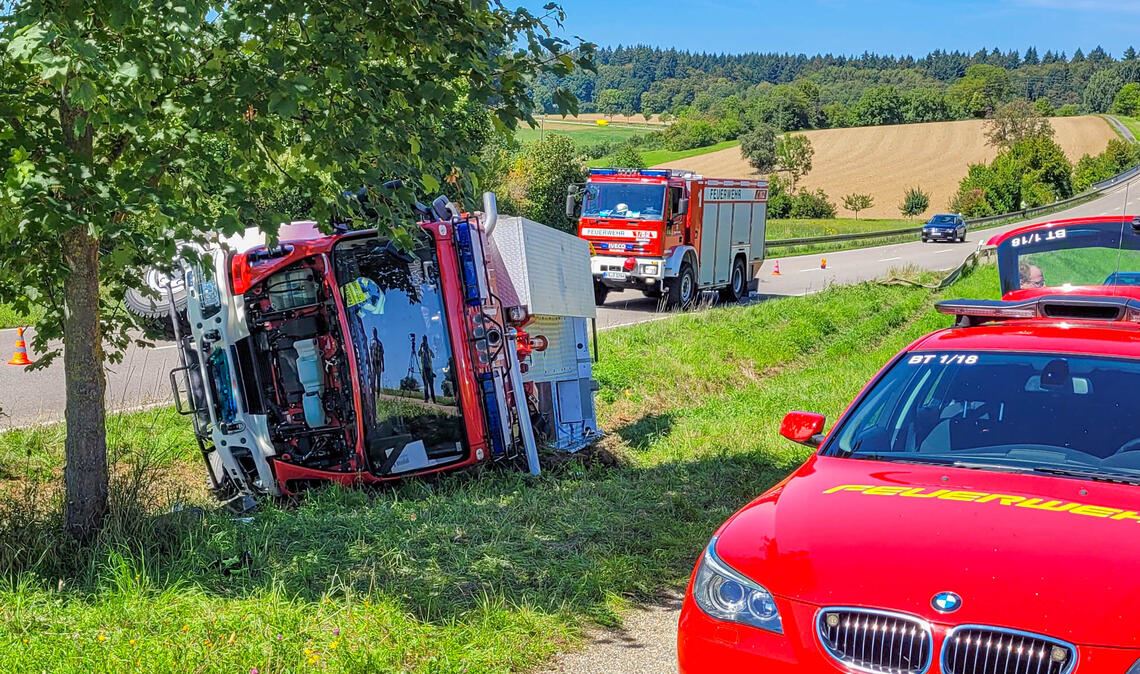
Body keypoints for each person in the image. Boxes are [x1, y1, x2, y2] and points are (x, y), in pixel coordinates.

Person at [418, 335, 436, 403]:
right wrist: (421, 347)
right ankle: (426, 398)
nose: (424, 341)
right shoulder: (422, 348)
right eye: (423, 339)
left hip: (430, 369)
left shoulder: (428, 349)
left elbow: (433, 356)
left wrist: (429, 350)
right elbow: (419, 354)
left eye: (425, 339)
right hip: (424, 369)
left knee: (431, 385)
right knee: (425, 384)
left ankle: (433, 399)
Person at [369, 327, 385, 393]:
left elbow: (382, 355)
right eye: (373, 332)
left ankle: (378, 394)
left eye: (375, 331)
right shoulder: (371, 342)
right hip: (373, 362)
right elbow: (370, 353)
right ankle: (372, 394)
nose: (374, 333)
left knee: (378, 380)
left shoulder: (380, 343)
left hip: (378, 362)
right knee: (373, 379)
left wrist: (383, 365)